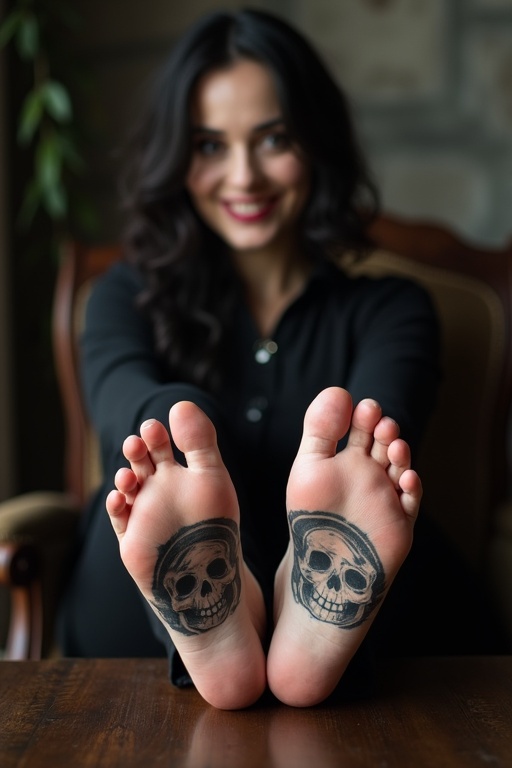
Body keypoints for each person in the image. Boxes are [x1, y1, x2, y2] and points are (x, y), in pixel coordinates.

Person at [57, 8, 495, 710]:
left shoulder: (392, 307)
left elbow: (388, 432)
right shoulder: (125, 296)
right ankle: (209, 589)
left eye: (273, 140)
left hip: (361, 605)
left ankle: (312, 590)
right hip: (135, 615)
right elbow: (120, 407)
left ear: (315, 143)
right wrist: (180, 442)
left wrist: (359, 469)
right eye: (208, 145)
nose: (244, 176)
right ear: (176, 157)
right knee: (165, 423)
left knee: (363, 446)